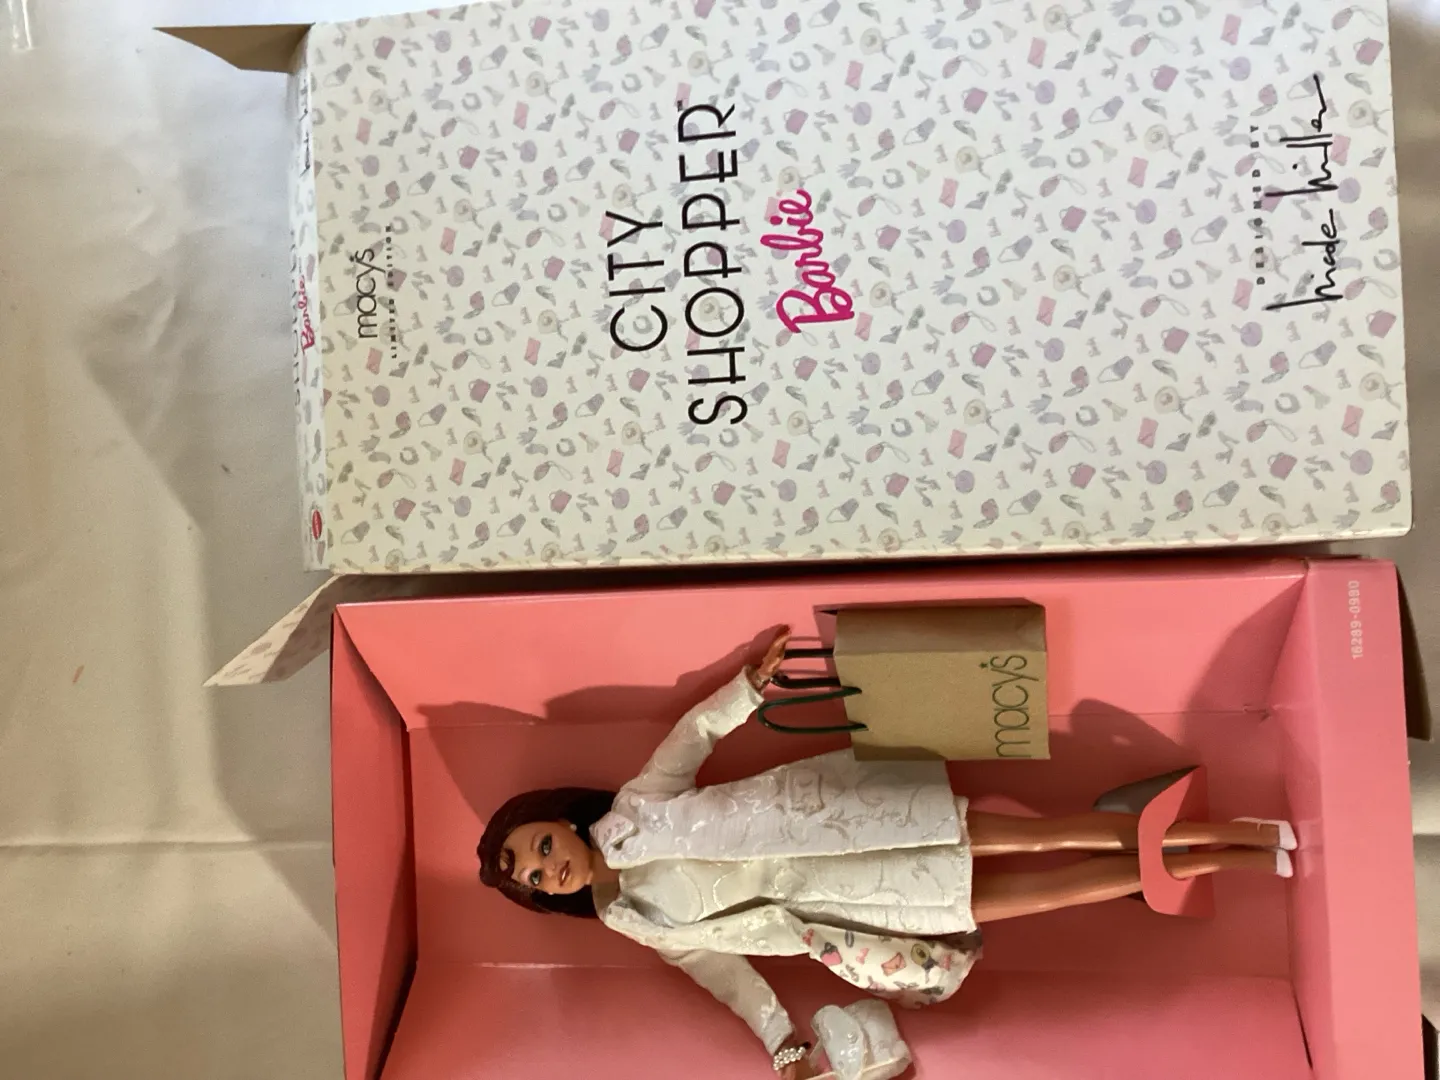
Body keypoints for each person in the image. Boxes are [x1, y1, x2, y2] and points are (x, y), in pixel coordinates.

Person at [477, 628, 1294, 1078]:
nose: (551, 867)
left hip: (842, 826)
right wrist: (781, 1043)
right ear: (547, 895)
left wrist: (746, 691)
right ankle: (1220, 859)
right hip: (852, 909)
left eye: (541, 845)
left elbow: (690, 738)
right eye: (538, 878)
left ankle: (1241, 836)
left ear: (562, 822)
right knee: (1052, 894)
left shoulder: (635, 807)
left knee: (1049, 832)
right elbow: (723, 972)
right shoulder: (632, 920)